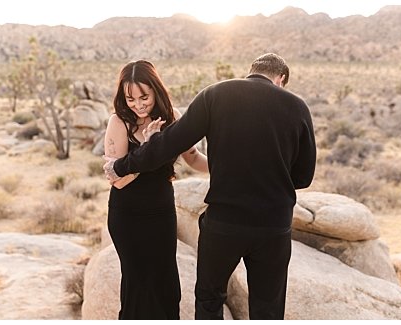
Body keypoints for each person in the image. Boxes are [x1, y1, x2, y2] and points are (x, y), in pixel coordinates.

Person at [104, 53, 316, 319]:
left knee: (209, 298)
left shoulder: (215, 94)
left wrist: (120, 166)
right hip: (273, 227)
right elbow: (304, 177)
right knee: (268, 307)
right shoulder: (297, 107)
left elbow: (171, 144)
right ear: (281, 79)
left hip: (223, 224)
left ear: (250, 71)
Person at [102, 60, 209, 320]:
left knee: (165, 282)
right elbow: (118, 179)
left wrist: (227, 166)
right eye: (130, 99)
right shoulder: (119, 122)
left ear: (156, 91)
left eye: (144, 97)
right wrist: (151, 149)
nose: (138, 105)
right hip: (127, 215)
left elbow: (193, 158)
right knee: (137, 283)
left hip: (161, 212)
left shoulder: (173, 118)